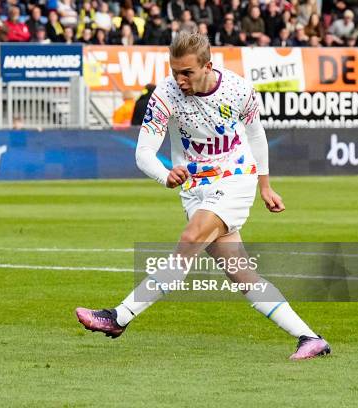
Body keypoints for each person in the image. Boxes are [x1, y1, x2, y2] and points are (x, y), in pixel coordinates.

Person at [76, 31, 331, 361]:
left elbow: (256, 136)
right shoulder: (165, 95)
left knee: (189, 238)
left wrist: (265, 185)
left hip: (236, 177)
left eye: (187, 73)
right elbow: (143, 152)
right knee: (241, 274)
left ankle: (118, 317)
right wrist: (164, 174)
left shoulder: (238, 90)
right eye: (174, 72)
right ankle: (309, 338)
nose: (179, 80)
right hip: (195, 190)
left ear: (207, 66)